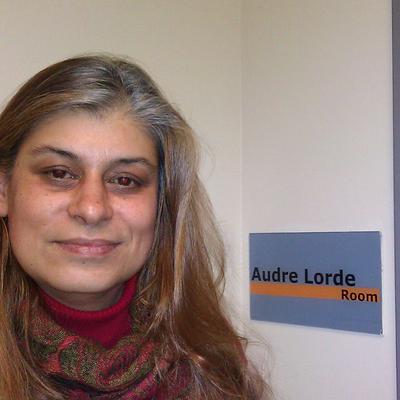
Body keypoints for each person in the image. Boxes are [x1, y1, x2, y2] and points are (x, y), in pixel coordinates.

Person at [0, 55, 268, 399]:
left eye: (124, 180)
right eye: (59, 173)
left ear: (163, 202)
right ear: (4, 189)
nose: (92, 209)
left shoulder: (212, 362)